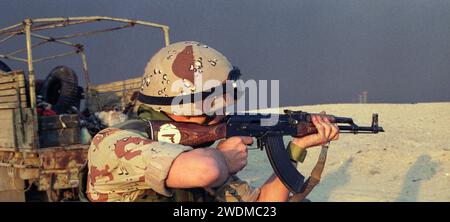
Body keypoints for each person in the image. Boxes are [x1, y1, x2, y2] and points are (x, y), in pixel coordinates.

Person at [83, 41, 339, 202]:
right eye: (216, 106)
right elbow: (206, 169)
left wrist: (296, 148)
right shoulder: (113, 142)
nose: (222, 113)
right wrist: (225, 160)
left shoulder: (198, 151)